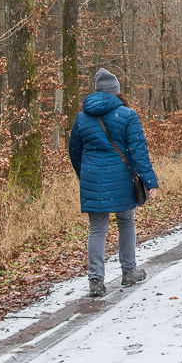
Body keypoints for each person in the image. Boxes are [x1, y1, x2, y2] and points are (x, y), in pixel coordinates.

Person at [68, 68, 159, 297]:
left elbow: (74, 152)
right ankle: (129, 272)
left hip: (91, 178)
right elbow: (139, 151)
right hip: (121, 178)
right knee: (126, 222)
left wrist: (85, 175)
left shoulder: (82, 117)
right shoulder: (127, 115)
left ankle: (96, 281)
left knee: (97, 229)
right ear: (117, 91)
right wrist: (149, 181)